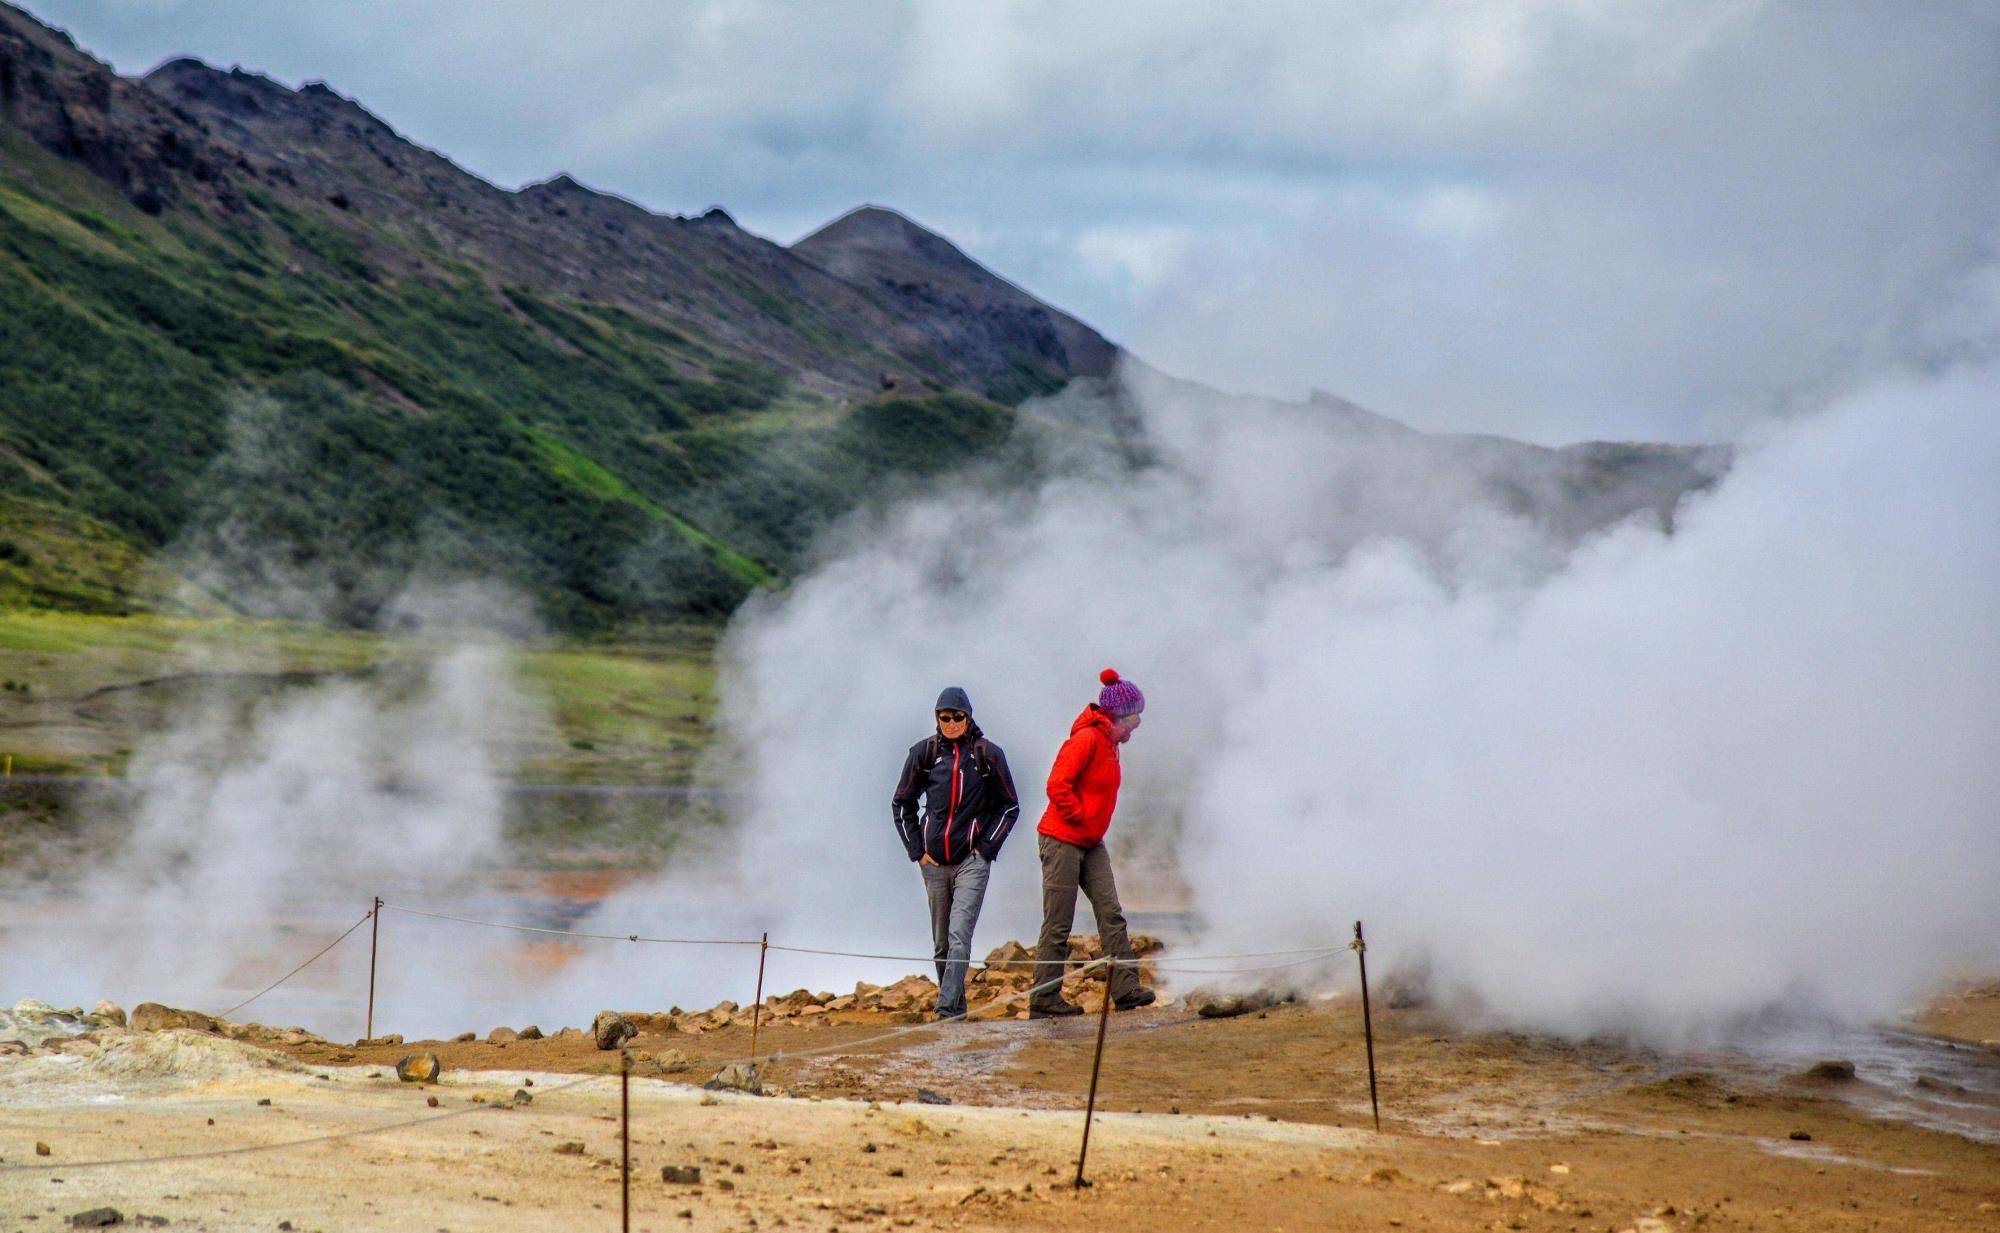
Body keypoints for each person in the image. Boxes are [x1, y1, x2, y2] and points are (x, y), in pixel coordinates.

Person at [1029, 668, 1157, 1018]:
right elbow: (1057, 786)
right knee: (1058, 921)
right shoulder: (1087, 739)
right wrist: (1083, 819)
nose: (1138, 725)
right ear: (1119, 716)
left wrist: (1090, 828)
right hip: (1061, 838)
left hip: (1090, 841)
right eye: (1135, 717)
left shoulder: (1113, 743)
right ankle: (1044, 999)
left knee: (1110, 912)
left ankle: (1127, 990)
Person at [892, 686, 1021, 1021]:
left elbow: (1009, 807)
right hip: (933, 864)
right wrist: (917, 852)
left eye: (957, 717)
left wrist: (985, 849)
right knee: (941, 945)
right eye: (944, 717)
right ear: (937, 717)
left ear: (969, 717)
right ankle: (957, 1010)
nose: (950, 723)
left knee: (959, 935)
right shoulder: (924, 754)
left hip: (971, 861)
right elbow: (902, 803)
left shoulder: (987, 755)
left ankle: (946, 1011)